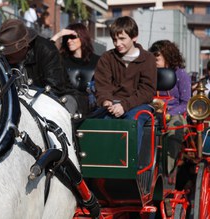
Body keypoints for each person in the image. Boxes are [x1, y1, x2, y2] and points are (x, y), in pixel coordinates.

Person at [94, 16, 157, 153]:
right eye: (115, 40)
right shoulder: (107, 57)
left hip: (138, 104)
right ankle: (99, 165)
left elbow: (147, 91)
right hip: (112, 104)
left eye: (122, 39)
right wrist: (106, 101)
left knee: (131, 123)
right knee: (100, 123)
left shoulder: (148, 59)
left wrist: (124, 105)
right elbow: (102, 85)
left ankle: (129, 168)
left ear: (134, 37)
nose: (117, 43)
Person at [0, 19, 78, 113]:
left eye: (10, 52)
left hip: (58, 99)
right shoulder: (1, 57)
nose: (6, 55)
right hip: (19, 101)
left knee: (61, 111)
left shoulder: (47, 50)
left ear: (24, 47)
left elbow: (54, 89)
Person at [149, 40, 191, 176]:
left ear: (168, 56)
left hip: (174, 114)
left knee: (174, 129)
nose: (154, 60)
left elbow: (185, 103)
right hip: (151, 112)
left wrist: (168, 113)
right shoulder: (149, 74)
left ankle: (166, 172)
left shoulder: (181, 74)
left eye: (157, 57)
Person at [50, 23, 100, 117]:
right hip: (65, 100)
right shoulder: (61, 60)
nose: (69, 41)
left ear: (82, 37)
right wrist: (59, 34)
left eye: (73, 37)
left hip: (89, 103)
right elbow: (45, 53)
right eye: (66, 38)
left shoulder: (98, 61)